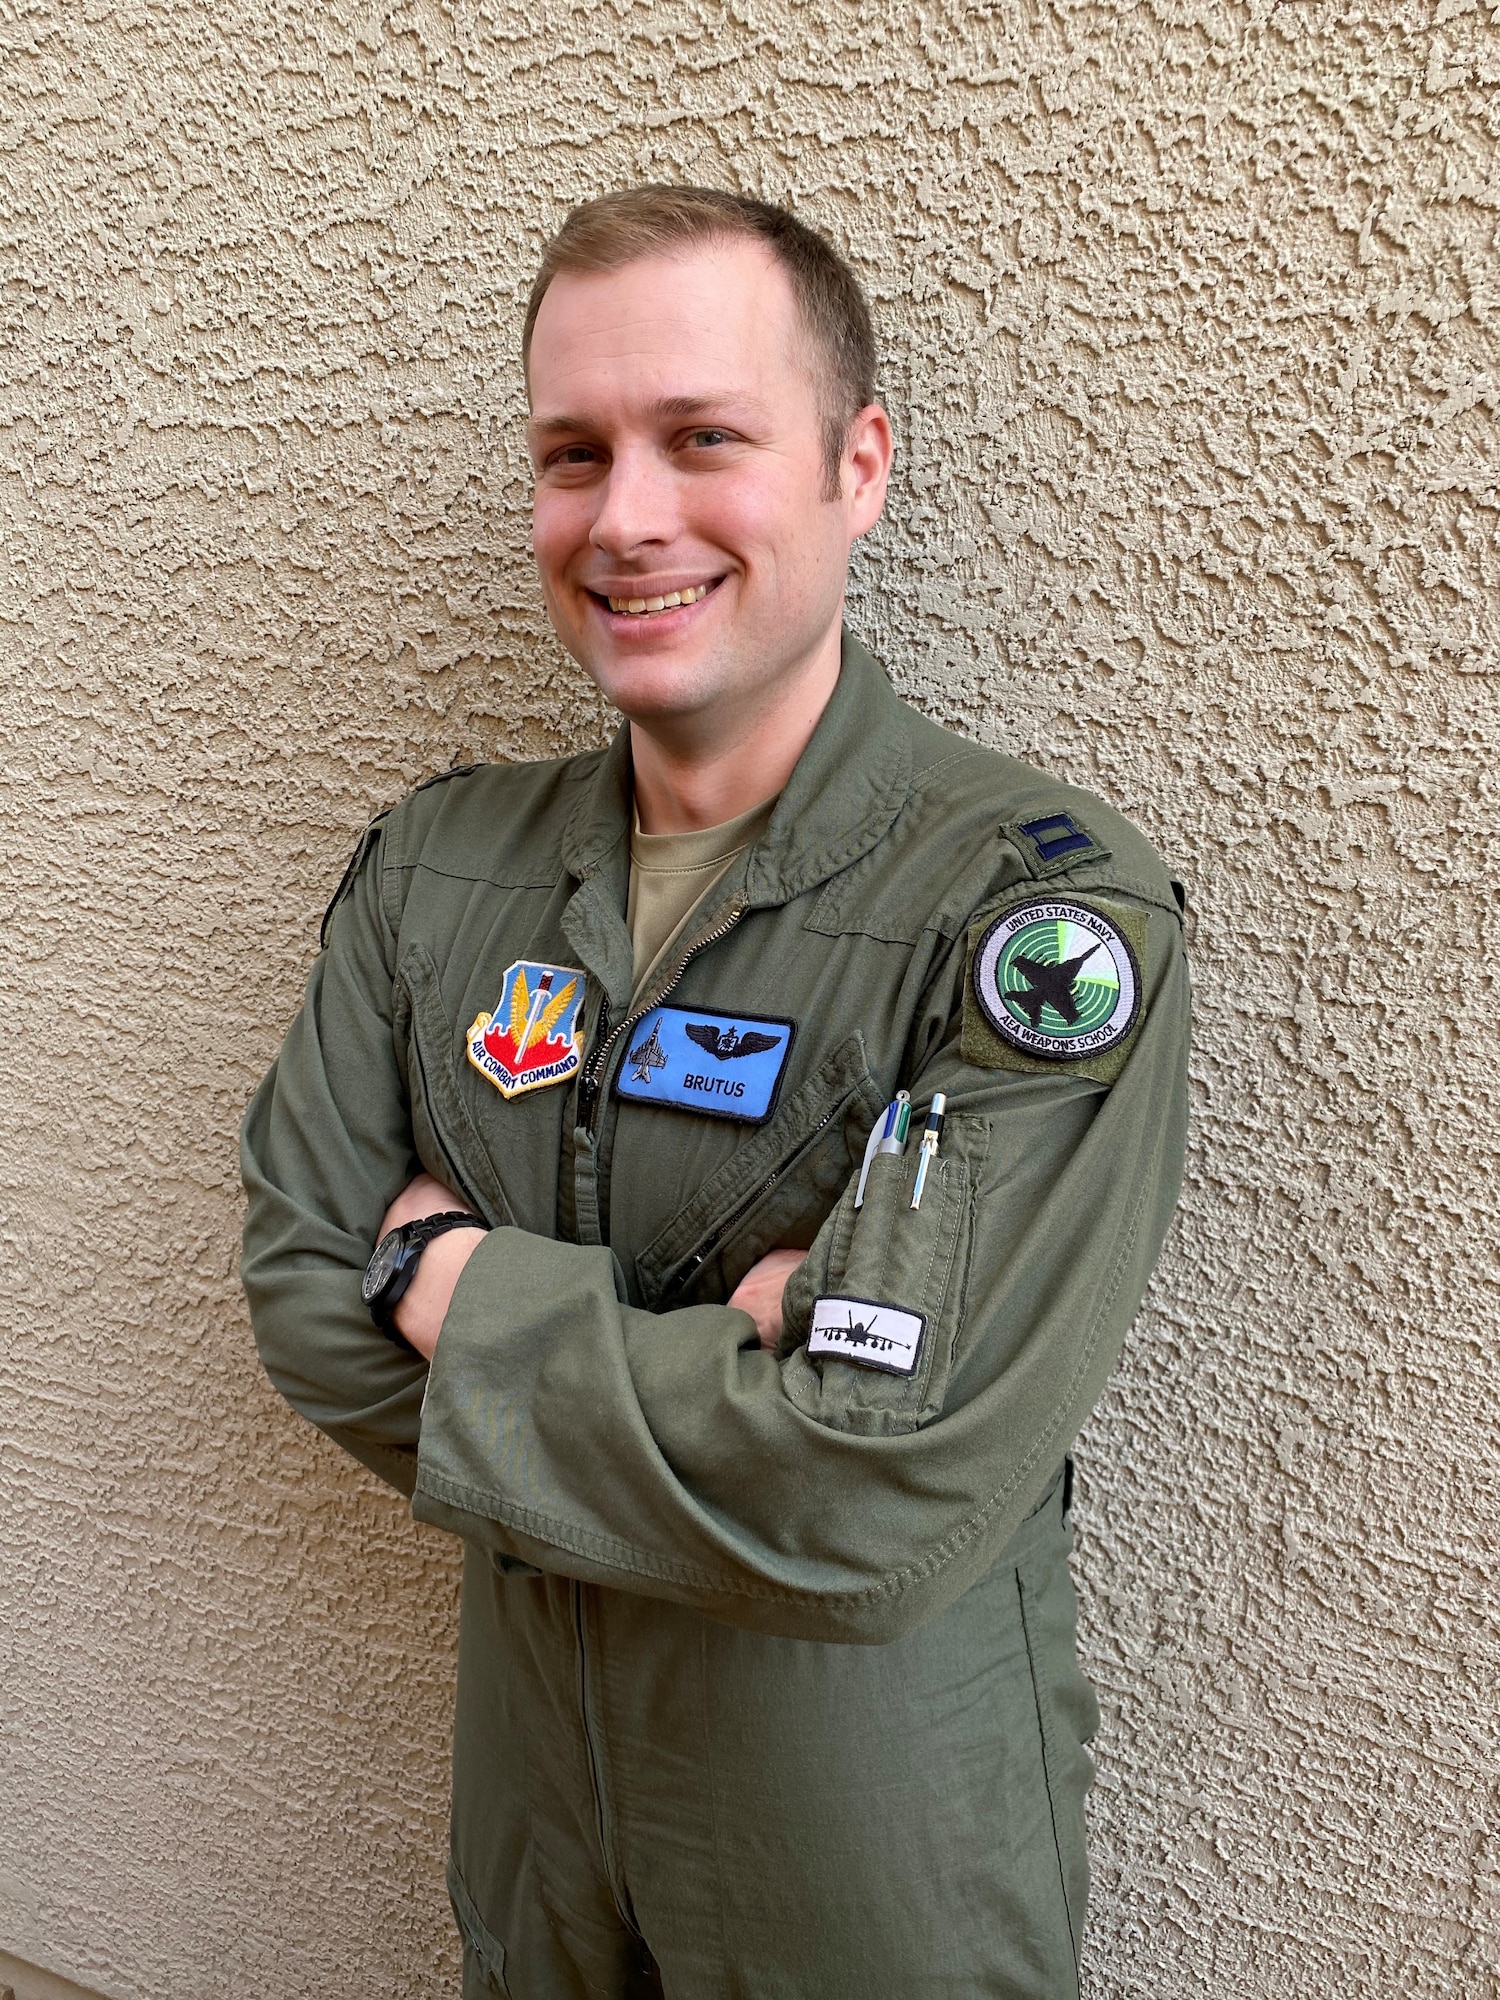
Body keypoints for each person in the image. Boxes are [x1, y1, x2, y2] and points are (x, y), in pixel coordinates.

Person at [241, 184, 1190, 2000]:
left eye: (703, 439)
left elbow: (874, 1477)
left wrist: (448, 1284)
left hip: (856, 1827)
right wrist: (739, 1360)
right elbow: (301, 1290)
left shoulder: (1030, 914)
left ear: (859, 467)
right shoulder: (440, 867)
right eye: (573, 453)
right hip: (536, 1789)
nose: (628, 518)